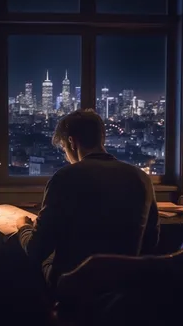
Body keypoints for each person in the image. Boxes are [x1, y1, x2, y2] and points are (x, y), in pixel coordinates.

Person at [16, 108, 160, 290]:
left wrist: (23, 227)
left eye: (64, 149)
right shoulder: (142, 178)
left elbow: (36, 250)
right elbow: (151, 242)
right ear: (102, 138)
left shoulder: (65, 177)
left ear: (72, 143)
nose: (67, 156)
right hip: (123, 288)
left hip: (75, 287)